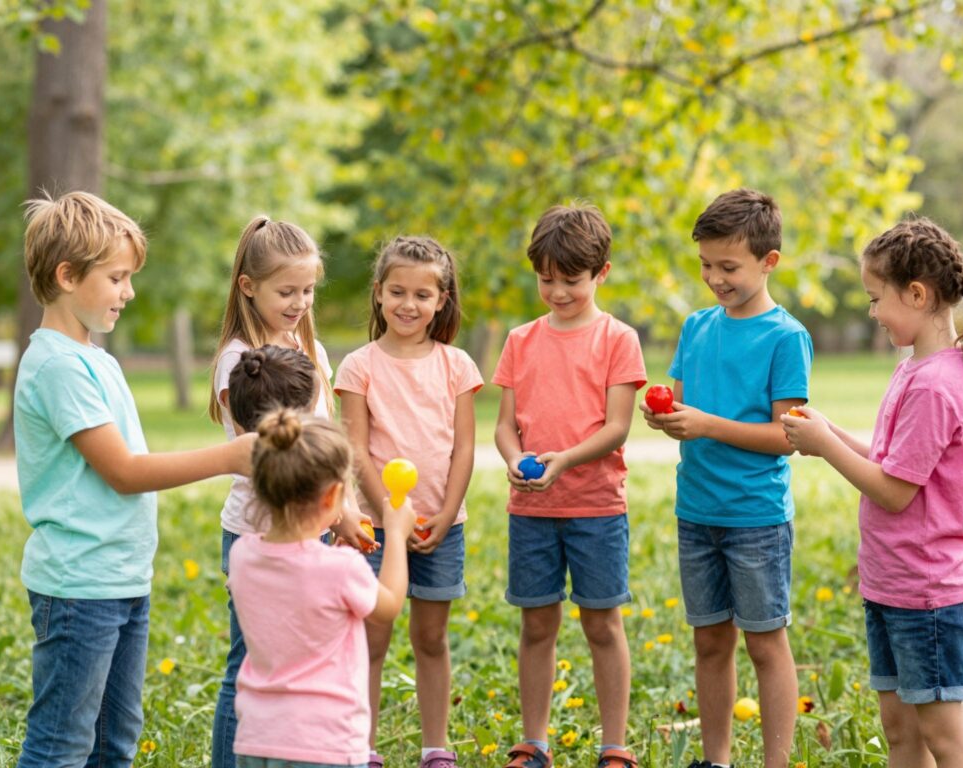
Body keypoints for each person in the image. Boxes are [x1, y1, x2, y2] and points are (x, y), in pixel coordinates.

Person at [13, 191, 255, 768]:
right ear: (67, 275)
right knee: (60, 745)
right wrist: (230, 457)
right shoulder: (56, 367)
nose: (129, 291)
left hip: (121, 578)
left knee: (114, 745)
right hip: (77, 586)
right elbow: (123, 472)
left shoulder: (97, 359)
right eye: (117, 278)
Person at [783, 218, 963, 768]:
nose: (872, 312)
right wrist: (835, 433)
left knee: (946, 736)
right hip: (894, 584)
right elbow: (897, 459)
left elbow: (895, 492)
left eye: (876, 299)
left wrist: (826, 446)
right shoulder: (914, 369)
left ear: (917, 295)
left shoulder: (939, 384)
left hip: (930, 594)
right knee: (901, 733)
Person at [641, 189, 812, 768]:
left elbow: (787, 436)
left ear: (769, 262)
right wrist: (665, 417)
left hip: (755, 516)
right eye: (706, 265)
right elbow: (685, 407)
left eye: (728, 267)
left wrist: (706, 424)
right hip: (698, 510)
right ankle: (716, 760)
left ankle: (776, 762)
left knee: (765, 643)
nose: (715, 278)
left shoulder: (785, 337)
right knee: (710, 641)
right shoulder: (696, 327)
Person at [209, 216, 373, 768]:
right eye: (286, 291)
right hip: (257, 532)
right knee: (249, 663)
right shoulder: (238, 362)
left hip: (312, 530)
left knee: (302, 658)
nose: (300, 301)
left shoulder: (313, 351)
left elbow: (327, 442)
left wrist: (343, 509)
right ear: (248, 287)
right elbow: (267, 457)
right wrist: (333, 511)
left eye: (307, 289)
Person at [493, 203, 647, 768]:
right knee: (537, 623)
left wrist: (561, 463)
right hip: (530, 510)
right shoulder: (520, 340)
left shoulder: (618, 339)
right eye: (546, 279)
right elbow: (506, 426)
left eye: (571, 281)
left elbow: (617, 428)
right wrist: (516, 459)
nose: (557, 292)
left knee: (602, 623)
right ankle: (533, 742)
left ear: (601, 272)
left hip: (596, 508)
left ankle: (615, 745)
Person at [336, 236, 483, 768]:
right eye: (397, 291)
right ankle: (364, 747)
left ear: (441, 300)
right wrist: (387, 514)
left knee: (431, 636)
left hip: (440, 524)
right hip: (374, 528)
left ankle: (436, 748)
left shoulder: (457, 365)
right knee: (371, 639)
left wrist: (446, 512)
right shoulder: (358, 365)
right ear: (378, 294)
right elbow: (354, 447)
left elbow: (465, 446)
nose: (408, 304)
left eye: (423, 294)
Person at [228, 408, 416, 768]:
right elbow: (389, 605)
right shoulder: (340, 569)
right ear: (331, 498)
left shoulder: (242, 555)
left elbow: (293, 583)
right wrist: (394, 532)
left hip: (257, 738)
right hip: (324, 743)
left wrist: (326, 554)